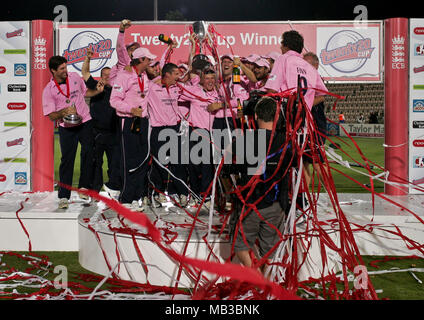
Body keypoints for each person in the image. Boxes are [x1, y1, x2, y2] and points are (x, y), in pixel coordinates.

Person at [226, 96, 291, 274]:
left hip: (249, 203)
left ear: (255, 116)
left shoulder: (244, 140)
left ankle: (258, 281)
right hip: (275, 204)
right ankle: (266, 285)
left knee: (240, 245)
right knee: (270, 250)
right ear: (278, 117)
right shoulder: (286, 142)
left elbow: (230, 164)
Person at [42, 55, 102, 209]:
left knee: (89, 153)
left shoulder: (74, 77)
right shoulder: (49, 90)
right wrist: (63, 112)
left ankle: (84, 187)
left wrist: (97, 91)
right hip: (66, 127)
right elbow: (51, 116)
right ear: (53, 71)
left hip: (85, 121)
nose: (65, 70)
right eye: (61, 68)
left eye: (65, 67)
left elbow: (85, 93)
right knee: (67, 161)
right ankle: (64, 196)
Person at [110, 47, 156, 211]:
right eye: (148, 59)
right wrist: (130, 109)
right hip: (128, 121)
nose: (150, 62)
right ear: (141, 60)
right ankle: (126, 198)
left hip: (143, 121)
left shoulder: (143, 75)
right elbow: (113, 100)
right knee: (128, 160)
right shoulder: (124, 76)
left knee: (142, 160)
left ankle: (136, 196)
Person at [147, 63, 189, 207]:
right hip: (158, 130)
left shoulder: (177, 88)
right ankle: (157, 193)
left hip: (173, 129)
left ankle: (182, 193)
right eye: (176, 73)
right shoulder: (151, 88)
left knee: (178, 163)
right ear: (167, 75)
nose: (179, 76)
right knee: (158, 164)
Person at [81, 49, 122, 198]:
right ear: (101, 76)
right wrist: (88, 58)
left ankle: (114, 191)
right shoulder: (95, 86)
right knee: (95, 163)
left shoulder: (118, 89)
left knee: (114, 164)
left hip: (113, 133)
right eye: (104, 75)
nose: (106, 77)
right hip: (96, 132)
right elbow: (85, 73)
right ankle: (94, 191)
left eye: (109, 75)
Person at [302, 52, 330, 191]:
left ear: (316, 65)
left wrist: (304, 104)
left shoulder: (316, 78)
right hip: (303, 125)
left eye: (307, 64)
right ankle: (303, 195)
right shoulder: (303, 78)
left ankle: (330, 193)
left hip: (315, 126)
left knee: (317, 162)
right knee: (304, 162)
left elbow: (323, 96)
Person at [109, 19, 140, 85]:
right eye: (131, 50)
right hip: (117, 92)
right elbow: (120, 48)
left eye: (136, 50)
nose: (134, 52)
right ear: (126, 52)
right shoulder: (125, 61)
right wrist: (121, 31)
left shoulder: (139, 66)